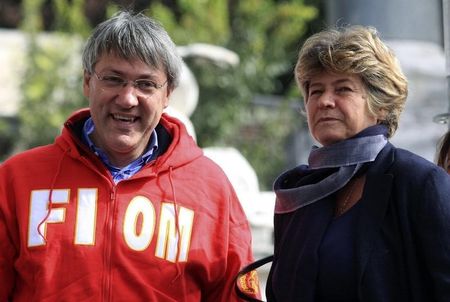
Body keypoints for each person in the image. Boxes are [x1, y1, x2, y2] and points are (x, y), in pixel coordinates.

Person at [0, 10, 257, 301]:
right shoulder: (16, 181)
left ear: (168, 94)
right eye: (113, 79)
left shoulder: (212, 190)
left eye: (146, 84)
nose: (127, 98)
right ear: (87, 82)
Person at [265, 25, 450, 301]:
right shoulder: (299, 192)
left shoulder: (419, 183)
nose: (325, 101)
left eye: (343, 89)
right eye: (316, 91)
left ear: (381, 106)